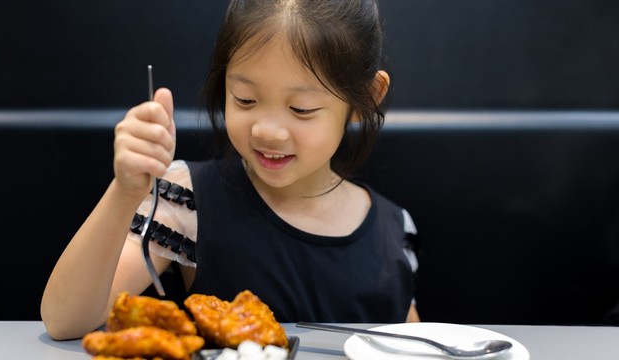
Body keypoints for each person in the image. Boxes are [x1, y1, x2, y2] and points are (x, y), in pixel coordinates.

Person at [41, 0, 421, 340]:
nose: (266, 130)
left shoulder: (393, 230)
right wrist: (125, 192)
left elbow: (416, 346)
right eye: (245, 99)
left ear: (365, 99)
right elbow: (66, 322)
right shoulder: (188, 198)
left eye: (301, 108)